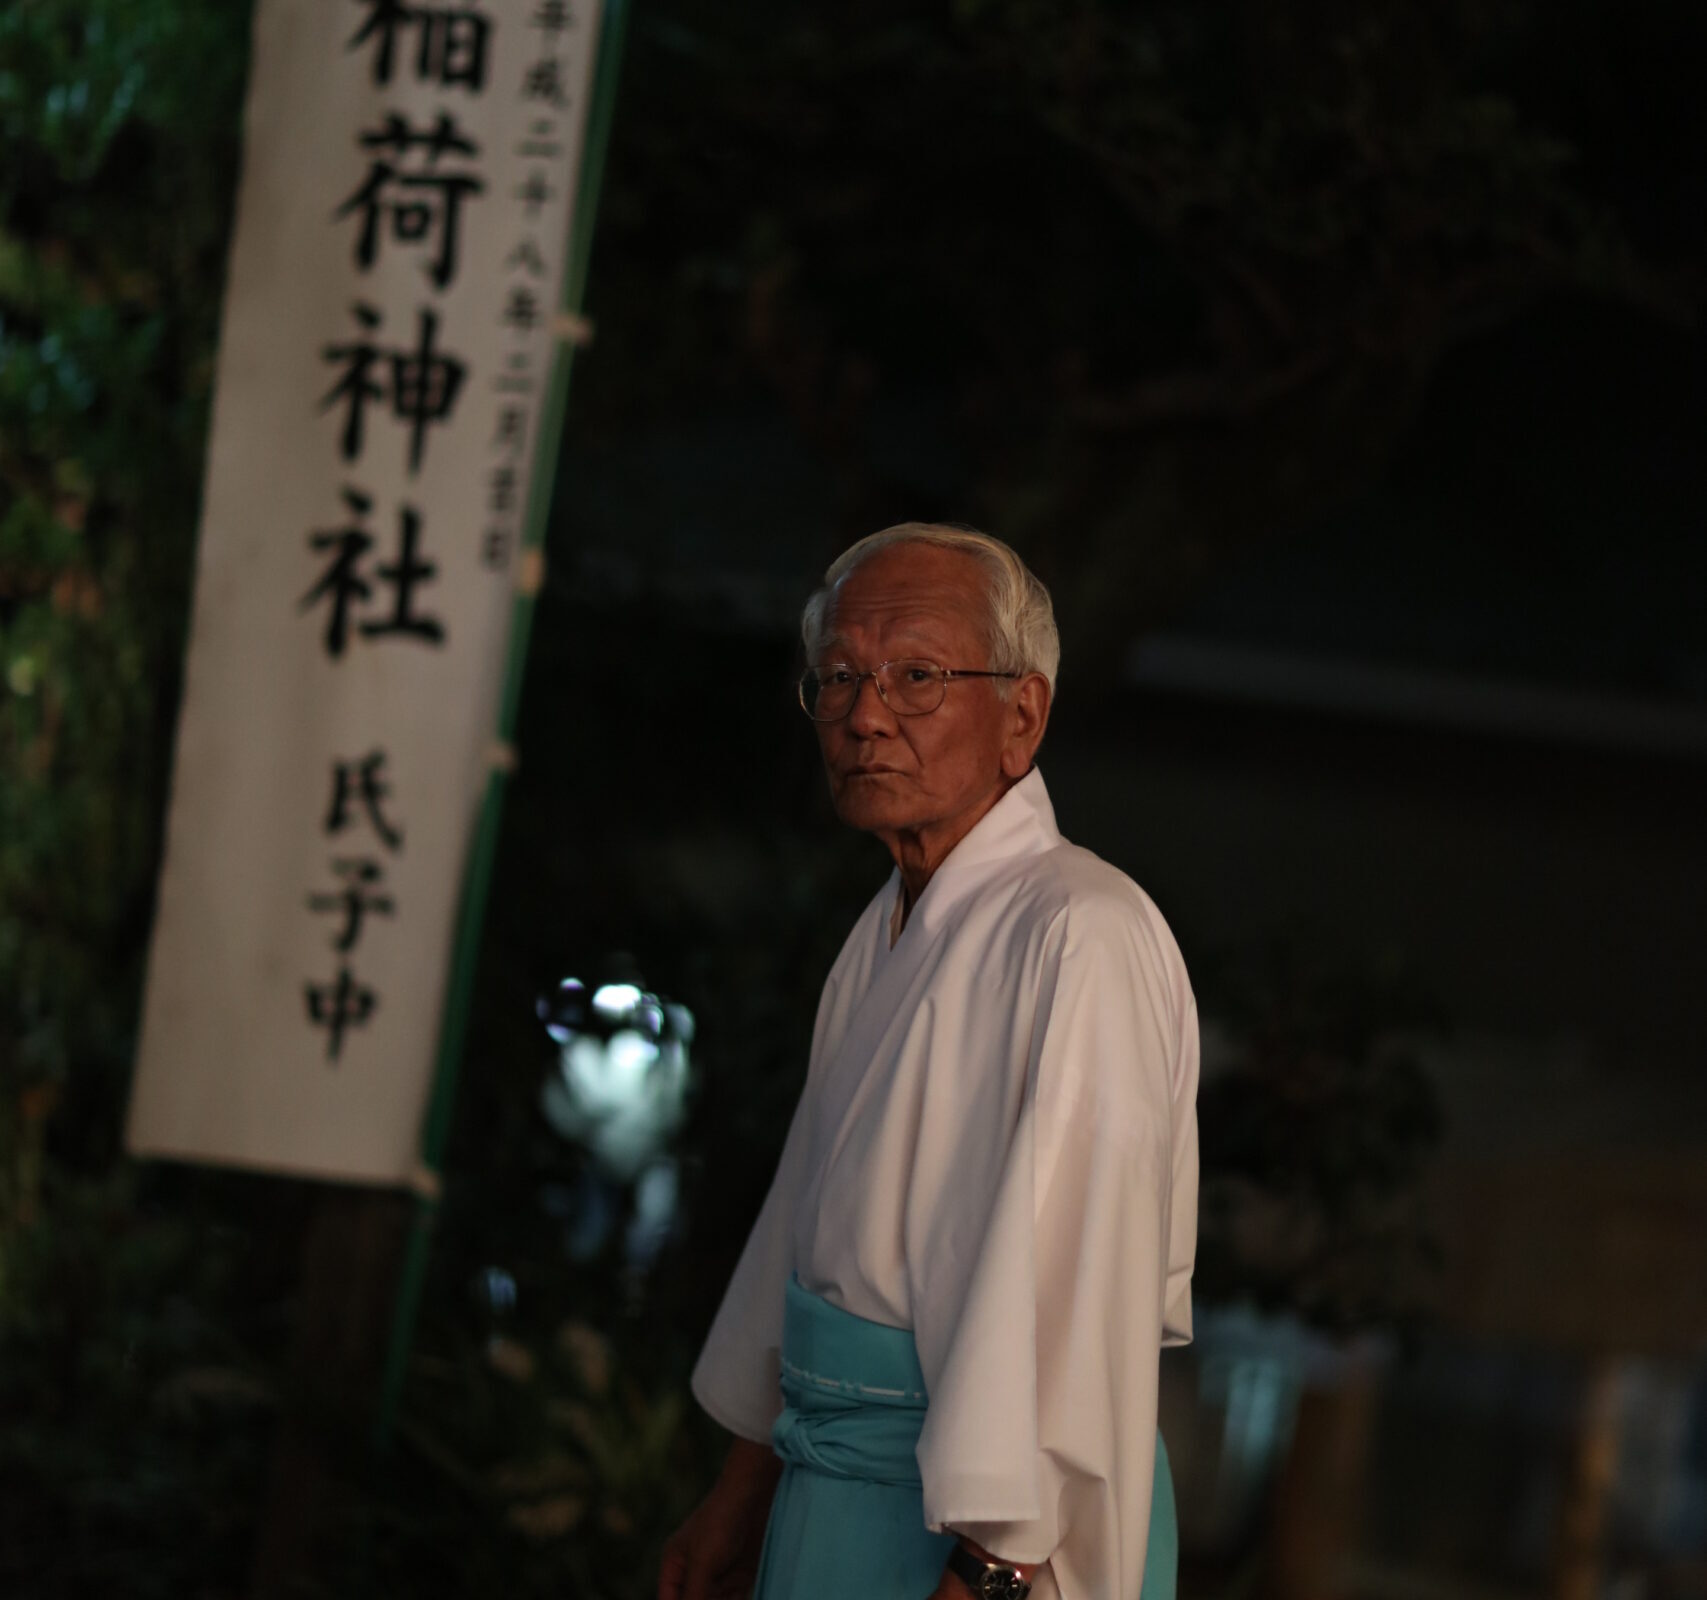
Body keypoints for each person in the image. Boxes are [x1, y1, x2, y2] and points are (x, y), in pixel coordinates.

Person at [658, 525, 1199, 1600]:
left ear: (1023, 714)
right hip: (837, 1492)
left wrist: (989, 1567)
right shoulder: (886, 930)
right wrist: (740, 1498)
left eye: (917, 676)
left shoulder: (1083, 930)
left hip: (985, 1537)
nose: (865, 713)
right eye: (842, 678)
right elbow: (803, 1249)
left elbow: (1075, 1295)